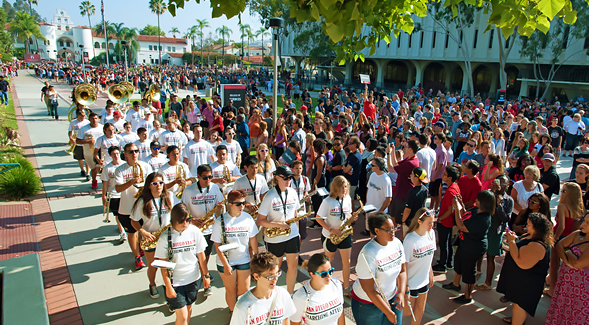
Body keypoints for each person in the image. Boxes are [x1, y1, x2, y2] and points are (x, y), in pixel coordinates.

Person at [155, 203, 211, 324]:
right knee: (183, 317)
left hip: (193, 279)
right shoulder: (165, 237)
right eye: (181, 221)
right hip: (175, 282)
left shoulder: (195, 232)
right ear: (173, 220)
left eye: (188, 219)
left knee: (188, 309)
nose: (185, 223)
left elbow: (201, 256)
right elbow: (163, 265)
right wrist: (168, 287)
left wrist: (205, 275)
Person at [496, 213, 553, 325]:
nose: (526, 226)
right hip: (521, 281)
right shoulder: (532, 236)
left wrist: (512, 241)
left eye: (529, 224)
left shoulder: (537, 246)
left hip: (526, 285)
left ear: (537, 228)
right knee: (516, 306)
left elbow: (520, 262)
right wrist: (514, 239)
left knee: (519, 307)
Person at [350, 212, 407, 325]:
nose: (393, 232)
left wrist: (401, 293)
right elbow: (369, 289)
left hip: (392, 297)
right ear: (377, 231)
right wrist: (388, 312)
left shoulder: (397, 244)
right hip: (368, 303)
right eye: (388, 230)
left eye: (394, 228)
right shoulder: (368, 253)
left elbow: (402, 271)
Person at [442, 190, 495, 304]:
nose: (476, 200)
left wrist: (456, 208)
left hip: (473, 248)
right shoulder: (476, 211)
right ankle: (456, 284)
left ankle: (467, 295)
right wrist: (460, 205)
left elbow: (461, 225)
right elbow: (466, 215)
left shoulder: (483, 219)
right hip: (464, 243)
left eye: (478, 199)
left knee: (469, 270)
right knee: (459, 263)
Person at [256, 165, 301, 294]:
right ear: (277, 178)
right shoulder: (269, 196)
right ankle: (271, 294)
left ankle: (290, 294)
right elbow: (260, 220)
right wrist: (278, 225)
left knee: (293, 267)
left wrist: (297, 232)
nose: (289, 180)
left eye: (290, 178)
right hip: (275, 238)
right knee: (274, 269)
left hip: (291, 235)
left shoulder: (292, 192)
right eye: (286, 178)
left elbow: (295, 214)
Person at [211, 189, 259, 312]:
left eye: (243, 203)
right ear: (230, 204)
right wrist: (226, 265)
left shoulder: (247, 218)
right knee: (231, 290)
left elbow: (253, 239)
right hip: (226, 261)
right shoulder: (220, 221)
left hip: (243, 259)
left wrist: (256, 256)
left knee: (244, 290)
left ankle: (241, 312)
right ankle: (233, 314)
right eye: (238, 204)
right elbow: (218, 245)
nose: (242, 206)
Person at [130, 171, 176, 299]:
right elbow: (133, 221)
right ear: (149, 185)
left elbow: (178, 211)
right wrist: (142, 232)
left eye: (161, 182)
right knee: (153, 266)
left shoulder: (170, 196)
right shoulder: (142, 202)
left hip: (167, 237)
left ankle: (169, 288)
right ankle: (152, 284)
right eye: (154, 183)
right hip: (151, 238)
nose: (159, 186)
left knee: (168, 265)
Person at [181, 164, 224, 297]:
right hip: (195, 229)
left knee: (206, 255)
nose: (208, 180)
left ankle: (202, 274)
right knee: (200, 256)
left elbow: (221, 207)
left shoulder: (215, 187)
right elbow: (182, 210)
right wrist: (191, 220)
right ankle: (205, 281)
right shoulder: (188, 191)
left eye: (210, 177)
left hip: (210, 227)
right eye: (205, 177)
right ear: (198, 176)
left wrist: (220, 208)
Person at [315, 175, 357, 297]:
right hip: (330, 236)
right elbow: (318, 218)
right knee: (329, 261)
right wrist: (331, 229)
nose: (344, 190)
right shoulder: (327, 201)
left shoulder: (347, 198)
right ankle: (326, 285)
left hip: (344, 234)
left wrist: (351, 217)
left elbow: (347, 213)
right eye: (341, 187)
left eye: (345, 187)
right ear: (335, 187)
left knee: (347, 261)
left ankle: (346, 287)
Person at [115, 143, 153, 269]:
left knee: (143, 231)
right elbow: (118, 188)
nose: (134, 154)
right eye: (130, 152)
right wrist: (131, 182)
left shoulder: (146, 166)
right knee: (132, 233)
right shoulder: (120, 169)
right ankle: (137, 257)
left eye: (136, 151)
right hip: (127, 208)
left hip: (143, 206)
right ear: (125, 154)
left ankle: (141, 248)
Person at [546, 212, 589, 324]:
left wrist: (568, 251)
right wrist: (567, 259)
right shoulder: (576, 234)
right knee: (562, 306)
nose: (583, 224)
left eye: (588, 223)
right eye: (584, 221)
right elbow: (560, 245)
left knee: (575, 312)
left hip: (582, 288)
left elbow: (578, 264)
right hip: (565, 280)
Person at [229, 252, 296, 324]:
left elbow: (285, 320)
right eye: (270, 276)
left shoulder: (282, 294)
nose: (275, 279)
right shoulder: (243, 306)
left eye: (277, 274)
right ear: (256, 277)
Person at [544, 182, 585, 297]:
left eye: (563, 191)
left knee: (554, 264)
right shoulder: (580, 208)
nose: (561, 192)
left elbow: (561, 226)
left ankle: (552, 289)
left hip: (560, 237)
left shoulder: (563, 206)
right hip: (572, 239)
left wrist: (555, 238)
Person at [403, 207, 435, 325]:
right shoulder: (410, 239)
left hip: (424, 280)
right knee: (406, 312)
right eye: (429, 223)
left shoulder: (431, 234)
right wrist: (405, 286)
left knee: (420, 311)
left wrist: (430, 273)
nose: (431, 225)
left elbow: (430, 255)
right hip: (411, 283)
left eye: (433, 222)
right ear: (419, 222)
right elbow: (404, 265)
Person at [291, 254, 345, 325]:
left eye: (330, 271)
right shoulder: (301, 297)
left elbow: (341, 313)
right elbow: (295, 322)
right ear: (312, 274)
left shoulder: (336, 284)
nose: (328, 276)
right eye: (324, 274)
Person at [433, 166, 461, 273]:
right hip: (449, 222)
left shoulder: (450, 191)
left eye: (444, 174)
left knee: (444, 244)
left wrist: (439, 219)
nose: (442, 176)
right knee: (448, 243)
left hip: (445, 222)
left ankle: (442, 265)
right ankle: (449, 262)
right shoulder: (455, 186)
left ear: (449, 178)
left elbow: (450, 210)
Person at [388, 139, 420, 230]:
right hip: (400, 192)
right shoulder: (411, 158)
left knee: (402, 220)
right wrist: (393, 151)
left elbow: (390, 168)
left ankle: (401, 238)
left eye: (406, 147)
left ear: (410, 149)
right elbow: (395, 164)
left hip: (403, 194)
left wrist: (388, 154)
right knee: (394, 216)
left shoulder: (411, 163)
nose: (404, 148)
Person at [100, 146, 126, 243]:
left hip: (125, 193)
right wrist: (103, 196)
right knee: (118, 214)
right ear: (110, 155)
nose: (116, 156)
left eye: (117, 153)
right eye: (113, 154)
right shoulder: (107, 168)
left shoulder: (125, 165)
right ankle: (122, 231)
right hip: (114, 194)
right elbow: (105, 183)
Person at [365, 157, 393, 235]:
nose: (371, 166)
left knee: (378, 234)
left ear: (377, 167)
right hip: (369, 209)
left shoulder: (386, 180)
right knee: (371, 231)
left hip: (378, 211)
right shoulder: (372, 175)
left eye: (372, 165)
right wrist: (367, 202)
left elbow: (388, 198)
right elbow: (369, 188)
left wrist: (380, 211)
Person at [77, 112, 104, 189]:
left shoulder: (102, 127)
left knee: (101, 167)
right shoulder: (83, 129)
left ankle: (103, 181)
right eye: (92, 118)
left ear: (98, 119)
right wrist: (87, 141)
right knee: (94, 167)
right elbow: (78, 141)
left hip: (100, 151)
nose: (94, 120)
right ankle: (94, 180)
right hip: (89, 151)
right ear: (89, 119)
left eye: (95, 118)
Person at [401, 167, 429, 238]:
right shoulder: (425, 190)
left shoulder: (412, 192)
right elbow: (424, 205)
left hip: (410, 222)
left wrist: (403, 221)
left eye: (412, 174)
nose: (410, 175)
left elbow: (408, 209)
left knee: (408, 239)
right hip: (419, 219)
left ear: (416, 178)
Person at [68, 109, 90, 179]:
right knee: (80, 158)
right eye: (81, 117)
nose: (82, 118)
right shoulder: (73, 122)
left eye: (83, 116)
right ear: (77, 116)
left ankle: (88, 173)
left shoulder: (87, 122)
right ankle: (82, 170)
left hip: (85, 142)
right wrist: (71, 138)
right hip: (78, 142)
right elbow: (70, 131)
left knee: (87, 158)